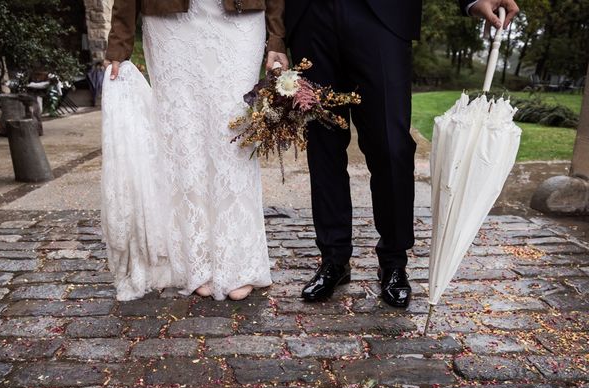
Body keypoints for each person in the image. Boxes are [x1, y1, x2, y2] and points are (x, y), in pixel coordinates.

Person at [286, 0, 519, 307]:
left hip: (382, 15)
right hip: (311, 17)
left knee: (391, 145)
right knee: (323, 142)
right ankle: (333, 259)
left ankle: (394, 261)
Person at [103, 0, 288, 301]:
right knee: (183, 134)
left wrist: (276, 37)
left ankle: (238, 261)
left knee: (233, 134)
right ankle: (195, 260)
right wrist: (119, 44)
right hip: (170, 24)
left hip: (239, 22)